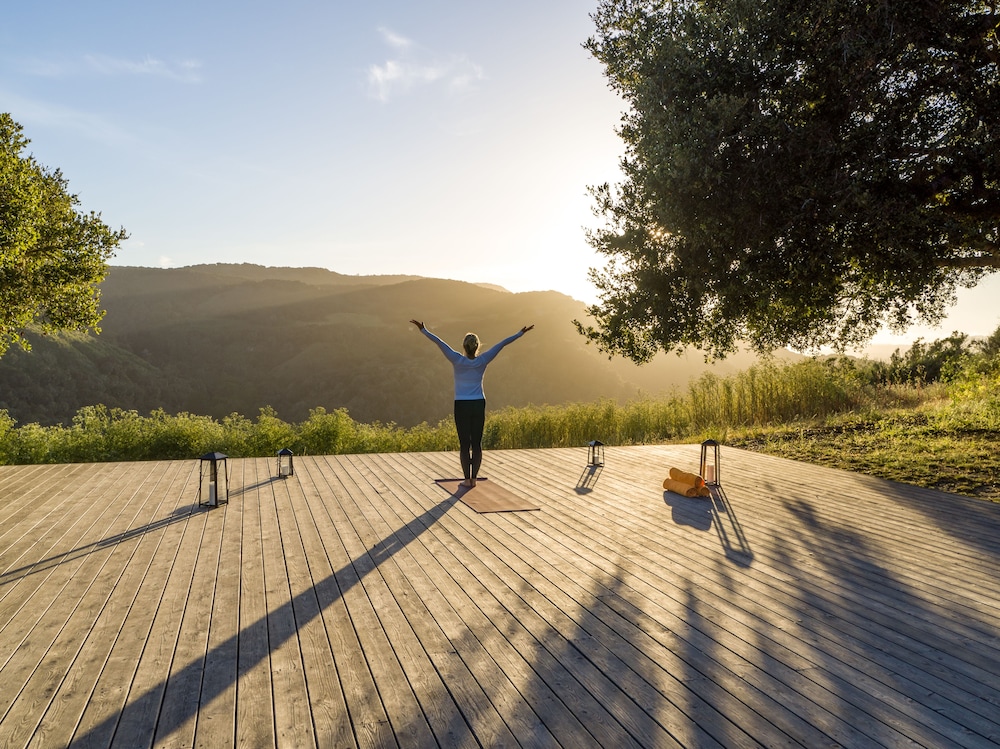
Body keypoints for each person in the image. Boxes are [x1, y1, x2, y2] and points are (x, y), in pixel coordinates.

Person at [410, 319, 533, 487]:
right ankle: (474, 479)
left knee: (464, 444)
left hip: (461, 405)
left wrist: (423, 330)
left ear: (464, 346)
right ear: (477, 346)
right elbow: (502, 343)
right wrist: (520, 333)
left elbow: (439, 343)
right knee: (476, 443)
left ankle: (466, 479)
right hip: (478, 403)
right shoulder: (483, 360)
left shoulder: (457, 360)